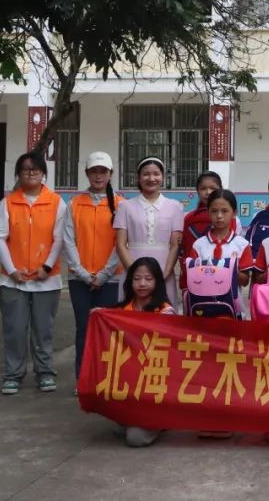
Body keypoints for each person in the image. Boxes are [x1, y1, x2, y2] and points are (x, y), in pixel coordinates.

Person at [0, 152, 68, 395]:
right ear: (18, 174)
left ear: (43, 173)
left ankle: (45, 372)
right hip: (12, 281)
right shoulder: (7, 204)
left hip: (47, 280)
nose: (31, 173)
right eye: (25, 169)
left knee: (44, 330)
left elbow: (60, 239)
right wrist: (12, 270)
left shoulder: (57, 203)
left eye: (35, 169)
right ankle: (13, 374)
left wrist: (46, 267)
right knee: (14, 329)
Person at [63, 151, 125, 387]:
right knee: (83, 329)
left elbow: (121, 243)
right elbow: (68, 240)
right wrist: (81, 272)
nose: (98, 176)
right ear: (86, 174)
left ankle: (105, 379)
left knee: (107, 330)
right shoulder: (74, 204)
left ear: (110, 174)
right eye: (94, 171)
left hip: (110, 280)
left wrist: (104, 274)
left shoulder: (121, 205)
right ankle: (83, 379)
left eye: (103, 171)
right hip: (79, 280)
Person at [113, 257, 174, 447]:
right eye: (137, 278)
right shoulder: (120, 310)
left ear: (157, 282)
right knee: (119, 424)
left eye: (148, 279)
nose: (142, 284)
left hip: (154, 383)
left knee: (135, 438)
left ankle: (163, 419)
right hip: (129, 382)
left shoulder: (165, 312)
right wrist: (99, 315)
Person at [113, 157, 184, 307]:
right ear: (138, 178)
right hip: (132, 267)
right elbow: (120, 244)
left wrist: (163, 275)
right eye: (146, 174)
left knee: (163, 313)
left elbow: (175, 245)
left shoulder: (175, 206)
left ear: (163, 177)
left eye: (156, 174)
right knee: (132, 312)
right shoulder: (125, 206)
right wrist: (135, 274)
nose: (151, 178)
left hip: (164, 269)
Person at [184, 189, 251, 317]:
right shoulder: (199, 245)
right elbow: (191, 277)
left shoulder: (242, 245)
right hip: (202, 307)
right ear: (208, 213)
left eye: (225, 211)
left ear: (234, 213)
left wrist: (225, 271)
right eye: (214, 211)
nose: (219, 216)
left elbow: (244, 281)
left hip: (232, 308)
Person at [178, 170, 243, 293]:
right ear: (197, 191)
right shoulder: (189, 218)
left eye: (212, 188)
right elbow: (184, 250)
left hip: (227, 284)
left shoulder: (234, 220)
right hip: (195, 280)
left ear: (220, 189)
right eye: (203, 188)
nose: (208, 192)